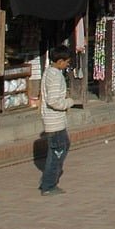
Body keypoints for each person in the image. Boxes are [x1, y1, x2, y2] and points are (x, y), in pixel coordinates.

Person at [38, 45, 73, 195]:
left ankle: (48, 182)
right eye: (66, 62)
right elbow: (53, 100)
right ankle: (48, 185)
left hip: (55, 121)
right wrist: (68, 102)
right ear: (59, 61)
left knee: (63, 146)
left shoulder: (49, 72)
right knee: (57, 153)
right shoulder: (55, 75)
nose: (67, 65)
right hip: (54, 122)